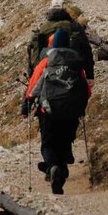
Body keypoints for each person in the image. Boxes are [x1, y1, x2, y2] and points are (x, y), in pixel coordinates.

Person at [23, 27, 91, 195]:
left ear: (52, 45)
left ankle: (52, 167)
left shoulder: (46, 62)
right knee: (64, 141)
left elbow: (33, 88)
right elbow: (87, 90)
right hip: (72, 112)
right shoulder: (76, 62)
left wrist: (27, 104)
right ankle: (61, 170)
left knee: (48, 144)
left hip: (49, 110)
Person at [25, 0, 95, 80]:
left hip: (47, 71)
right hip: (73, 70)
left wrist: (32, 75)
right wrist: (90, 76)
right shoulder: (75, 26)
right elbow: (87, 51)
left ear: (50, 11)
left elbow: (34, 54)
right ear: (66, 10)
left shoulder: (42, 28)